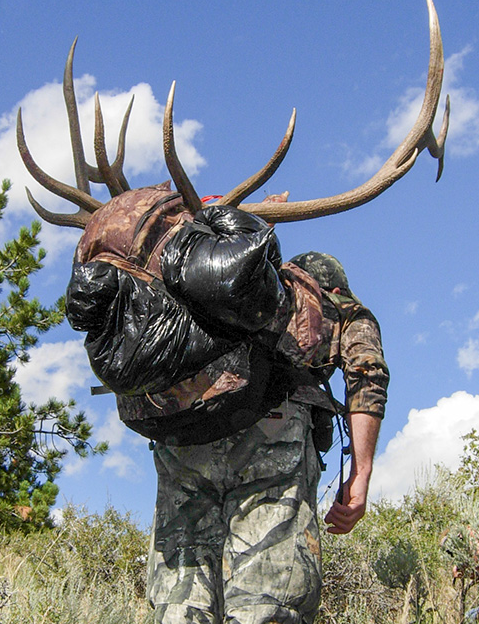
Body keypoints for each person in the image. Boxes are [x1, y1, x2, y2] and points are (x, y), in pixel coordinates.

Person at [146, 251, 389, 623]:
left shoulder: (213, 300)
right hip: (274, 437)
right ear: (332, 287)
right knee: (267, 601)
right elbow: (366, 372)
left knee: (179, 603)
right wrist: (361, 472)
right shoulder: (331, 304)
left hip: (186, 436)